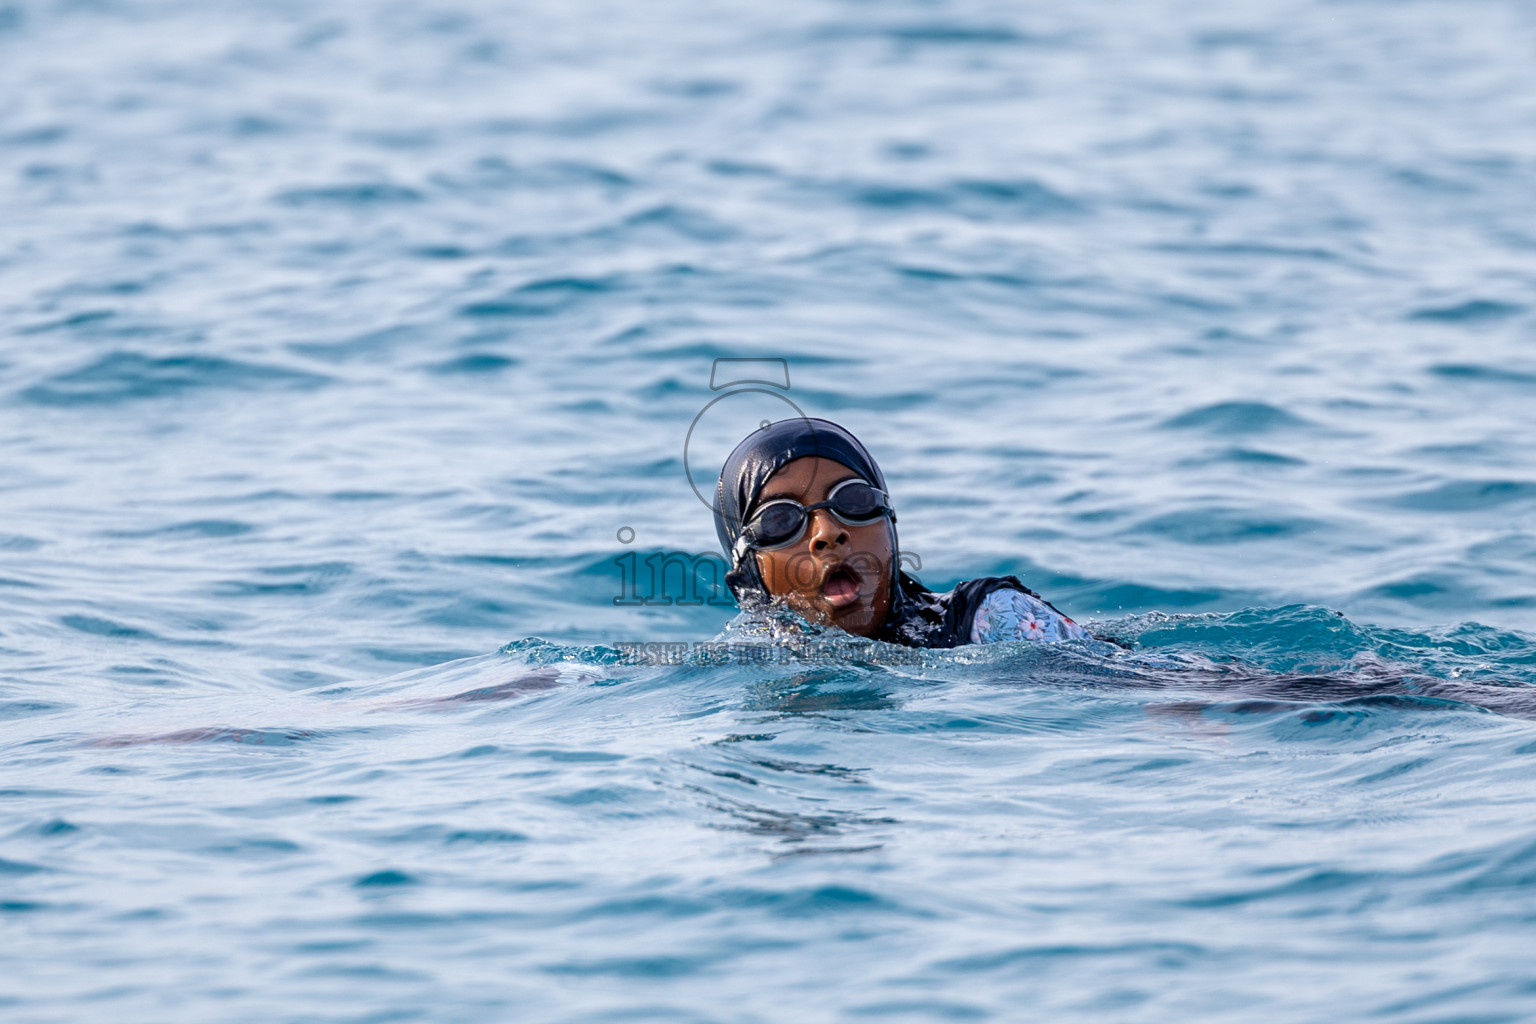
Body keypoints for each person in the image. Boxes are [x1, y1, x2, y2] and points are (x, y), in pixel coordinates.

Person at [714, 417, 1086, 648]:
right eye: (781, 521)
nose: (828, 532)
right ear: (748, 577)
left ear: (890, 523)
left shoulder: (989, 619)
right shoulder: (741, 662)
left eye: (853, 500)